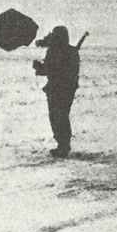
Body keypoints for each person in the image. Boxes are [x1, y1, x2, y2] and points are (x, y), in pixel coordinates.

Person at [33, 26, 80, 158]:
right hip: (67, 89)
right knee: (62, 116)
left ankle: (63, 146)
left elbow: (49, 70)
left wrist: (38, 67)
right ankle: (63, 145)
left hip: (57, 89)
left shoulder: (54, 51)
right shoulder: (71, 51)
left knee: (57, 117)